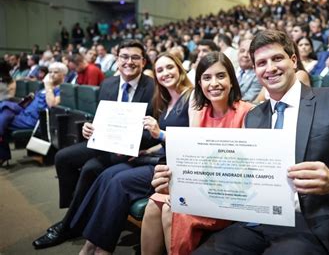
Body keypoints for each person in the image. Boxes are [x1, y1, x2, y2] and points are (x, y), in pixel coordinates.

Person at [190, 29, 329, 254]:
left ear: (293, 60)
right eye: (261, 63)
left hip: (314, 224)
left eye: (277, 58)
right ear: (255, 70)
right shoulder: (253, 116)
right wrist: (185, 178)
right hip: (259, 222)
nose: (270, 68)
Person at [32, 40, 155, 249]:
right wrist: (89, 127)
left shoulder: (153, 87)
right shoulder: (108, 84)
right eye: (124, 57)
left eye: (135, 57)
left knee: (90, 168)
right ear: (117, 60)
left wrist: (131, 139)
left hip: (130, 148)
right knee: (63, 158)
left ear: (143, 62)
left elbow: (153, 131)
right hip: (104, 142)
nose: (129, 62)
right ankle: (78, 211)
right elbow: (100, 119)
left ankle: (69, 225)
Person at [72, 53, 193, 255]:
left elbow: (190, 142)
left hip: (173, 166)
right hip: (159, 156)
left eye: (170, 67)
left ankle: (102, 250)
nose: (165, 73)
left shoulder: (192, 97)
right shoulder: (164, 100)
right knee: (107, 174)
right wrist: (147, 149)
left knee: (119, 181)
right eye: (160, 70)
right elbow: (162, 143)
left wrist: (160, 134)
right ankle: (90, 244)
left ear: (179, 68)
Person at [141, 52, 253, 255]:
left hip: (230, 193)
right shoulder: (199, 112)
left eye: (221, 76)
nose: (214, 83)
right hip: (201, 187)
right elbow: (193, 158)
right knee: (153, 203)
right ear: (199, 83)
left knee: (170, 210)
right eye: (207, 78)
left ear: (231, 79)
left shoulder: (248, 112)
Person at [0, 62, 68, 166]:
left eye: (56, 72)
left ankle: (2, 155)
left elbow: (52, 105)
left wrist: (48, 86)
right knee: (5, 110)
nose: (51, 74)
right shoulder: (43, 88)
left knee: (4, 115)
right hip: (24, 115)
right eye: (50, 72)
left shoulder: (63, 89)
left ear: (64, 75)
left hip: (36, 121)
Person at [236, 37, 262, 102]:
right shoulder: (234, 69)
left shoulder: (258, 76)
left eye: (249, 52)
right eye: (242, 51)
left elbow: (246, 101)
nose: (245, 55)